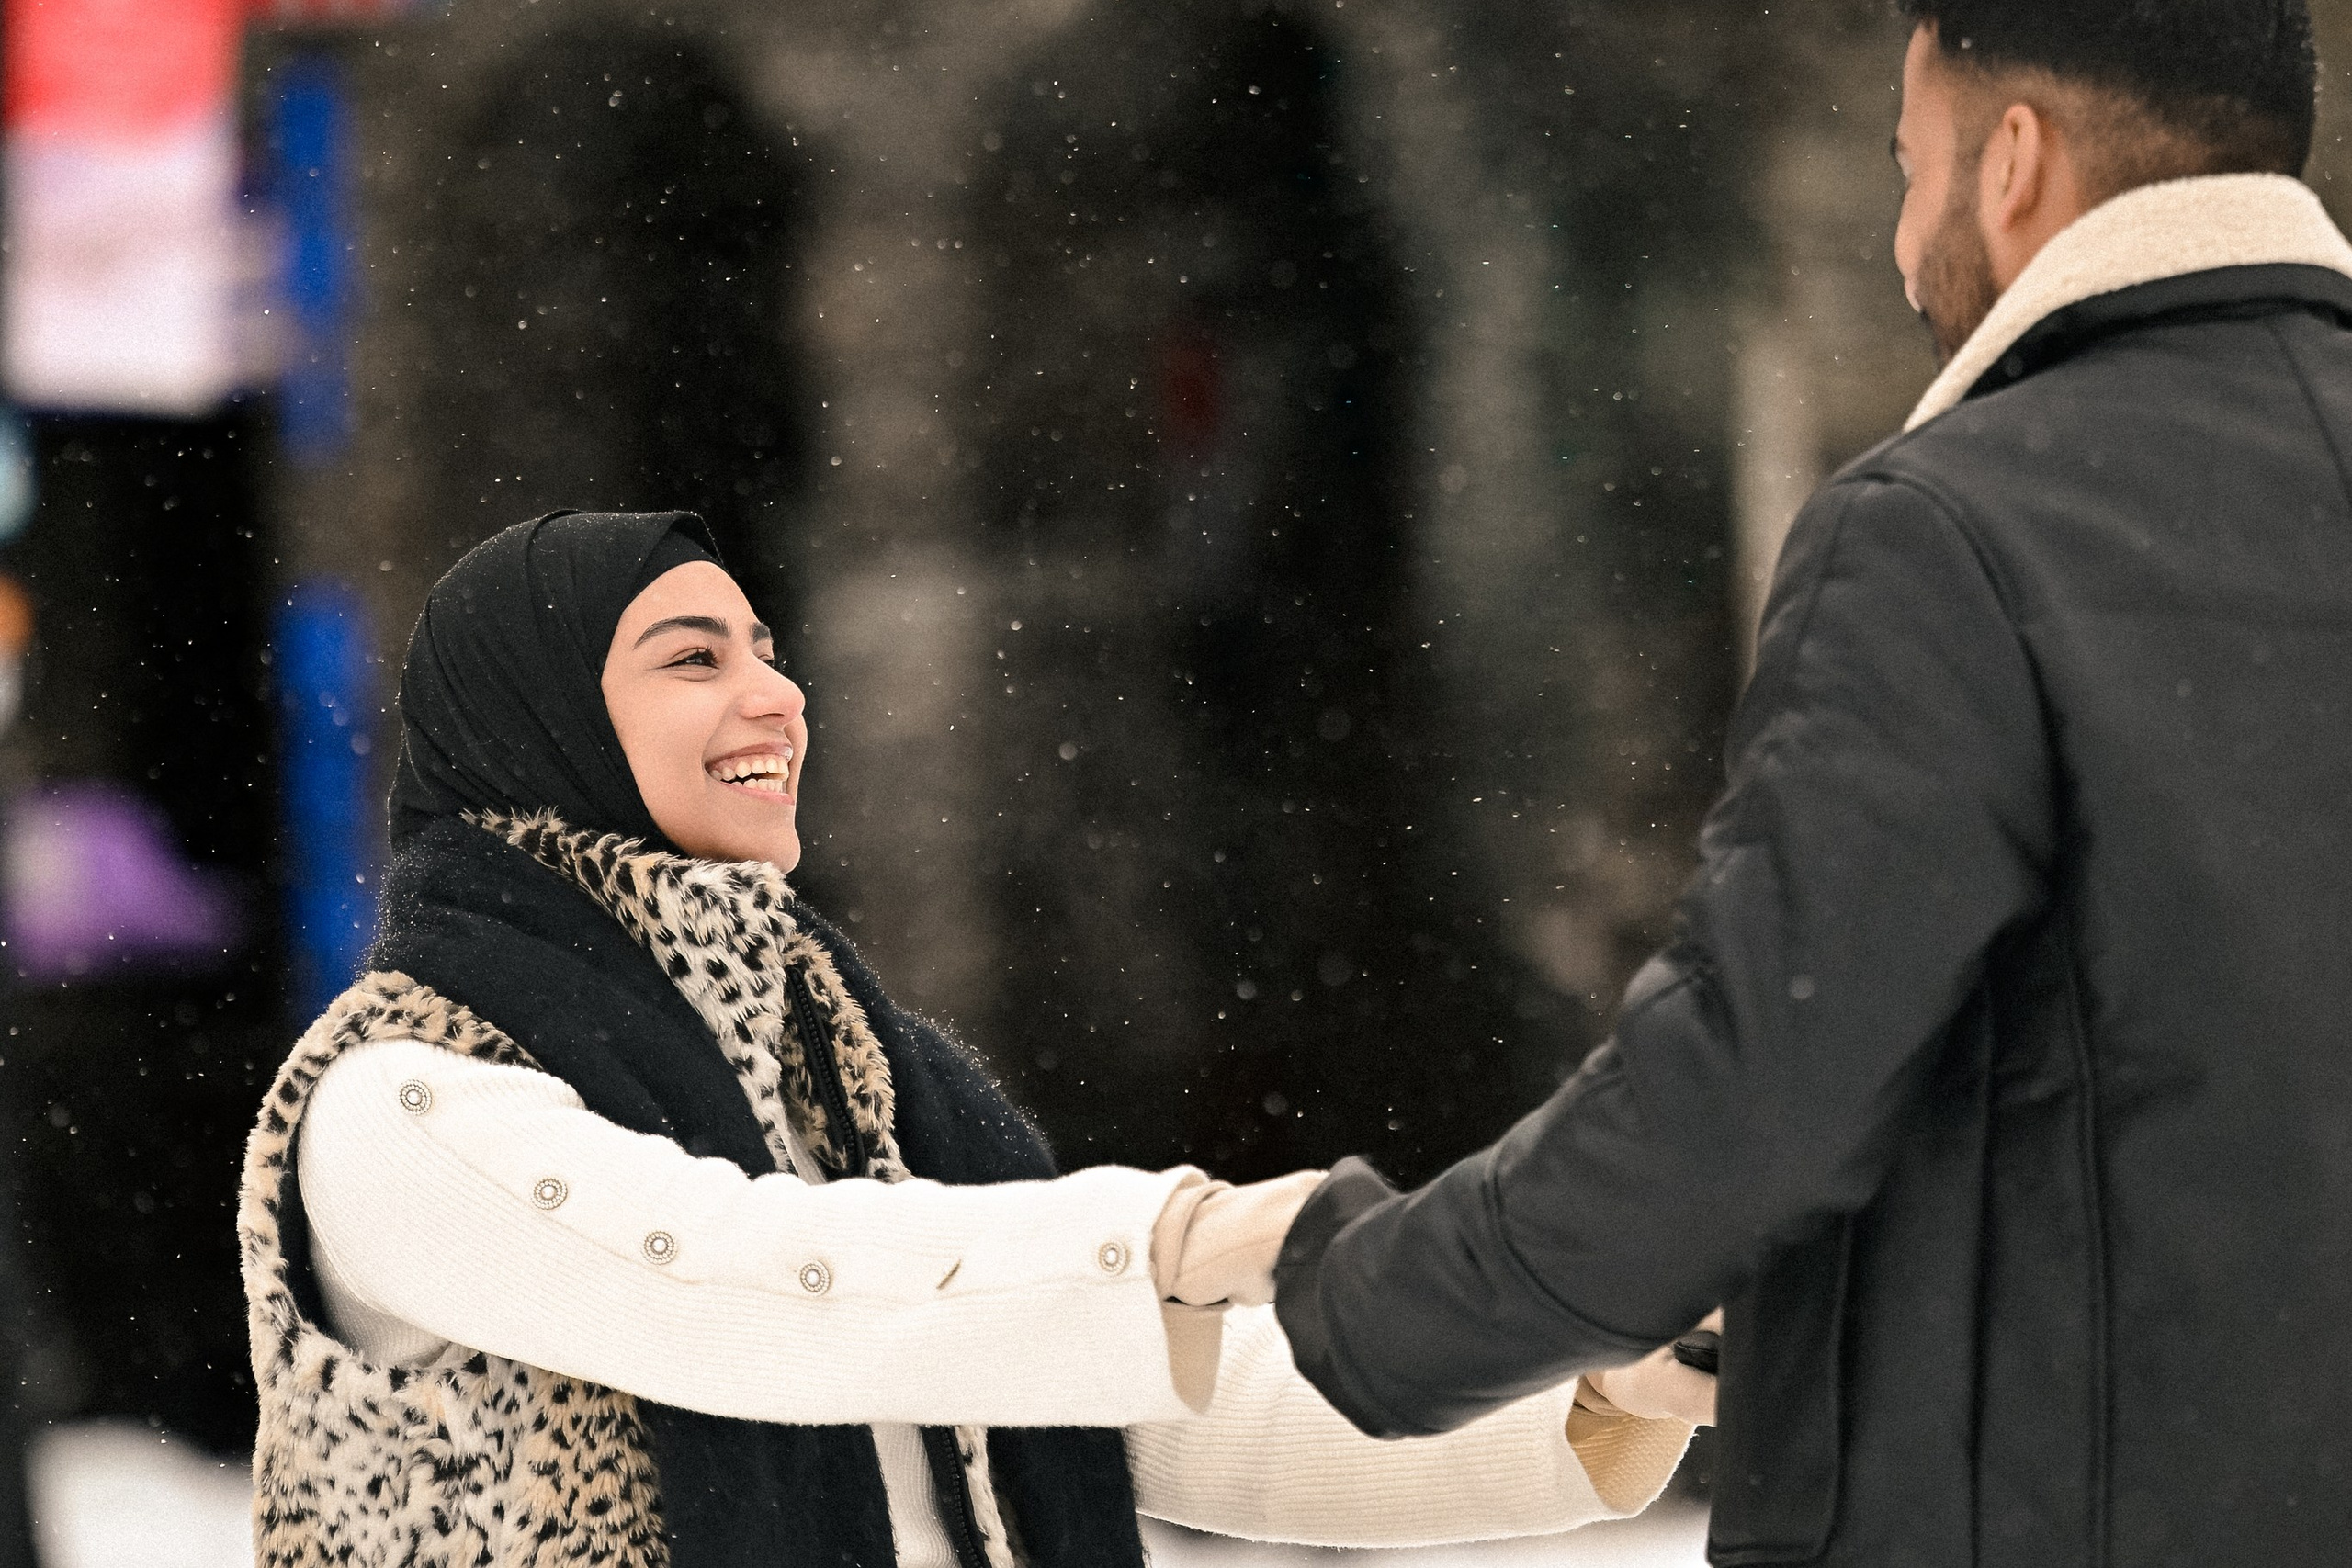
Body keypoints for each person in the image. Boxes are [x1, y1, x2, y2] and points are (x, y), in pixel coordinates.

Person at [1272, 3, 2352, 1565]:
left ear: (2016, 162)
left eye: (1910, 171)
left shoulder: (1952, 535)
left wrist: (1357, 1305)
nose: (1904, 248)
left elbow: (1745, 1091)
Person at [235, 510, 1707, 1568]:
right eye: (693, 659)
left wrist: (1582, 1391)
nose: (776, 692)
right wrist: (1185, 1240)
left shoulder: (848, 1075)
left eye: (766, 646)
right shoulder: (397, 1106)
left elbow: (1112, 1409)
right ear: (536, 721)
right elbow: (737, 1291)